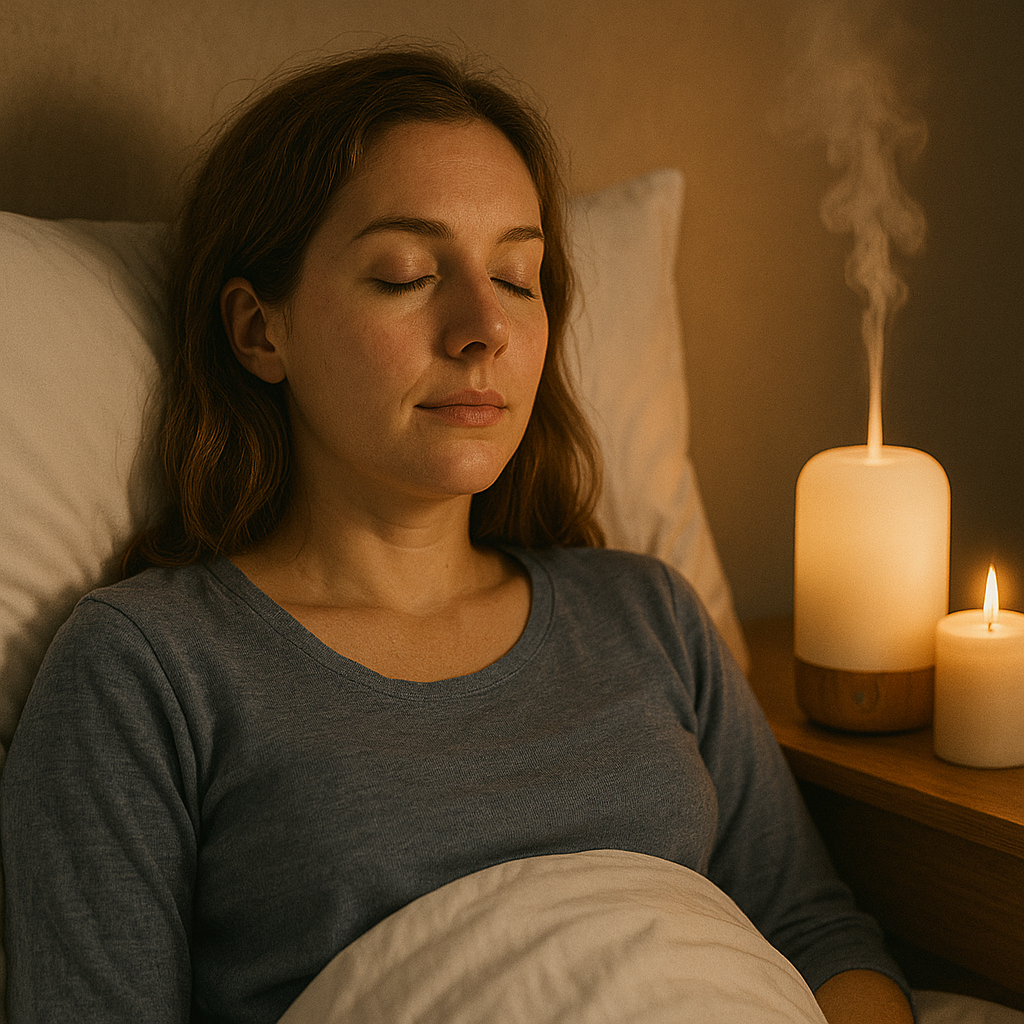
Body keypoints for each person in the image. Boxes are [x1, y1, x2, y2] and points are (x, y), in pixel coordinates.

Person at [0, 46, 915, 1024]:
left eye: (518, 277)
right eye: (404, 273)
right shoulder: (147, 668)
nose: (483, 326)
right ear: (260, 331)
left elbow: (816, 934)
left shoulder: (647, 613)